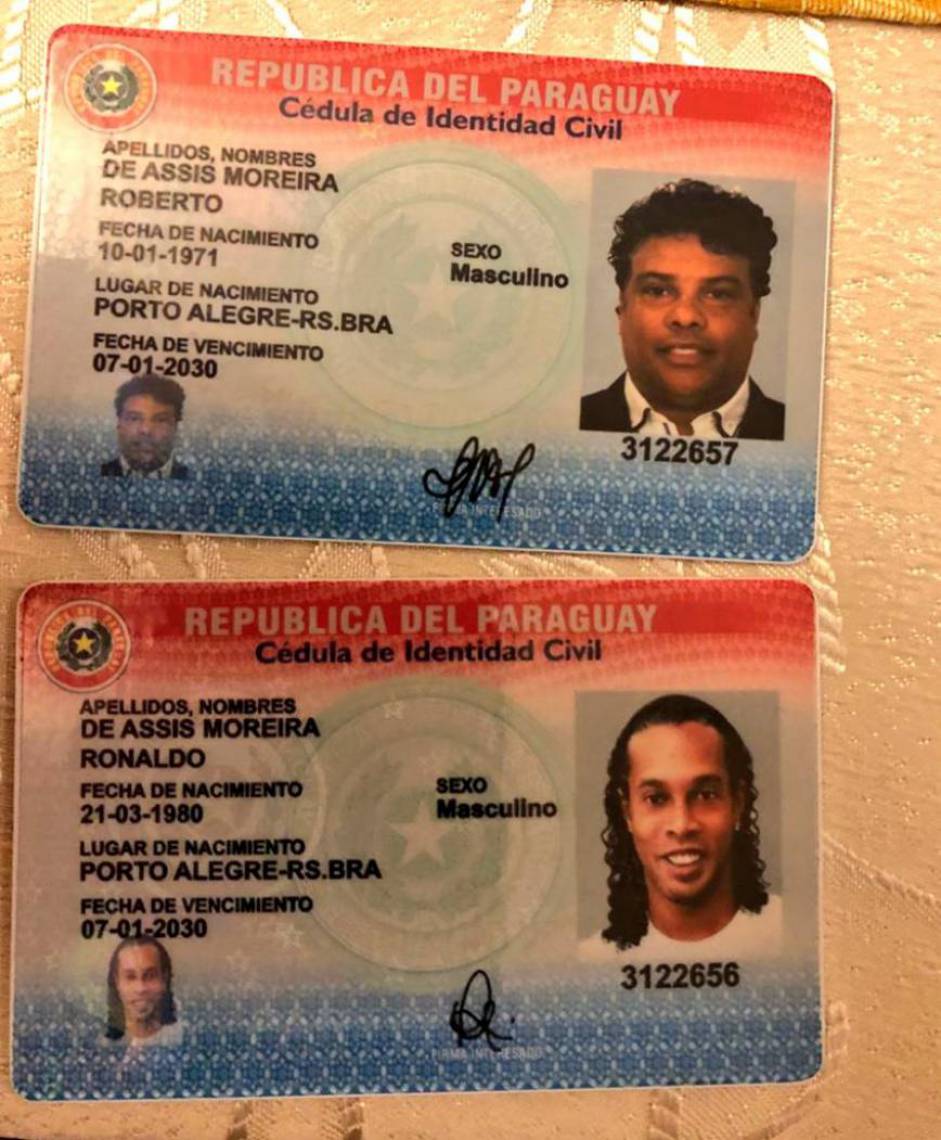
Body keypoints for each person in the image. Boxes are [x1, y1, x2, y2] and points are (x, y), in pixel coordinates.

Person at [580, 180, 785, 440]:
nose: (686, 317)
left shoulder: (801, 434)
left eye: (717, 294)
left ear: (754, 313)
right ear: (623, 309)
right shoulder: (564, 425)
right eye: (658, 291)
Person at [586, 693, 780, 959]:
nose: (682, 825)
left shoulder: (795, 940)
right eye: (656, 799)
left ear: (738, 803)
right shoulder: (595, 961)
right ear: (627, 812)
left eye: (706, 795)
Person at [101, 373, 189, 478]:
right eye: (134, 418)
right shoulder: (95, 473)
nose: (146, 430)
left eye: (160, 420)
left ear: (175, 427)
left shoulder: (194, 477)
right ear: (119, 423)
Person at [104, 935, 183, 1046]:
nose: (140, 988)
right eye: (130, 977)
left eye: (150, 976)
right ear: (117, 982)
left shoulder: (183, 1039)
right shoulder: (101, 1044)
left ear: (164, 979)